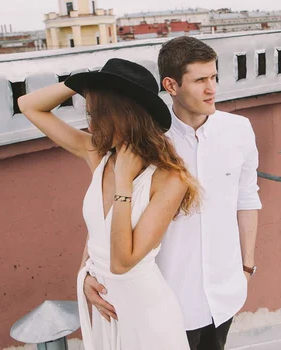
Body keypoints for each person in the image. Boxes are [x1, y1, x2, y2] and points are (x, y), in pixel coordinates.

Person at [83, 37, 262, 350]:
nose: (212, 89)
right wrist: (87, 270)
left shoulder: (240, 130)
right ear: (171, 85)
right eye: (201, 80)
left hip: (224, 294)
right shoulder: (148, 144)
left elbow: (247, 199)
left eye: (214, 77)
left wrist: (246, 268)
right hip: (166, 300)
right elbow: (108, 208)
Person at [17, 58, 198, 350]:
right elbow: (28, 105)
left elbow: (122, 262)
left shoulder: (169, 179)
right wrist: (85, 274)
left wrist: (124, 183)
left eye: (97, 114)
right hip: (106, 306)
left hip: (146, 316)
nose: (89, 124)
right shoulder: (98, 155)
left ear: (124, 116)